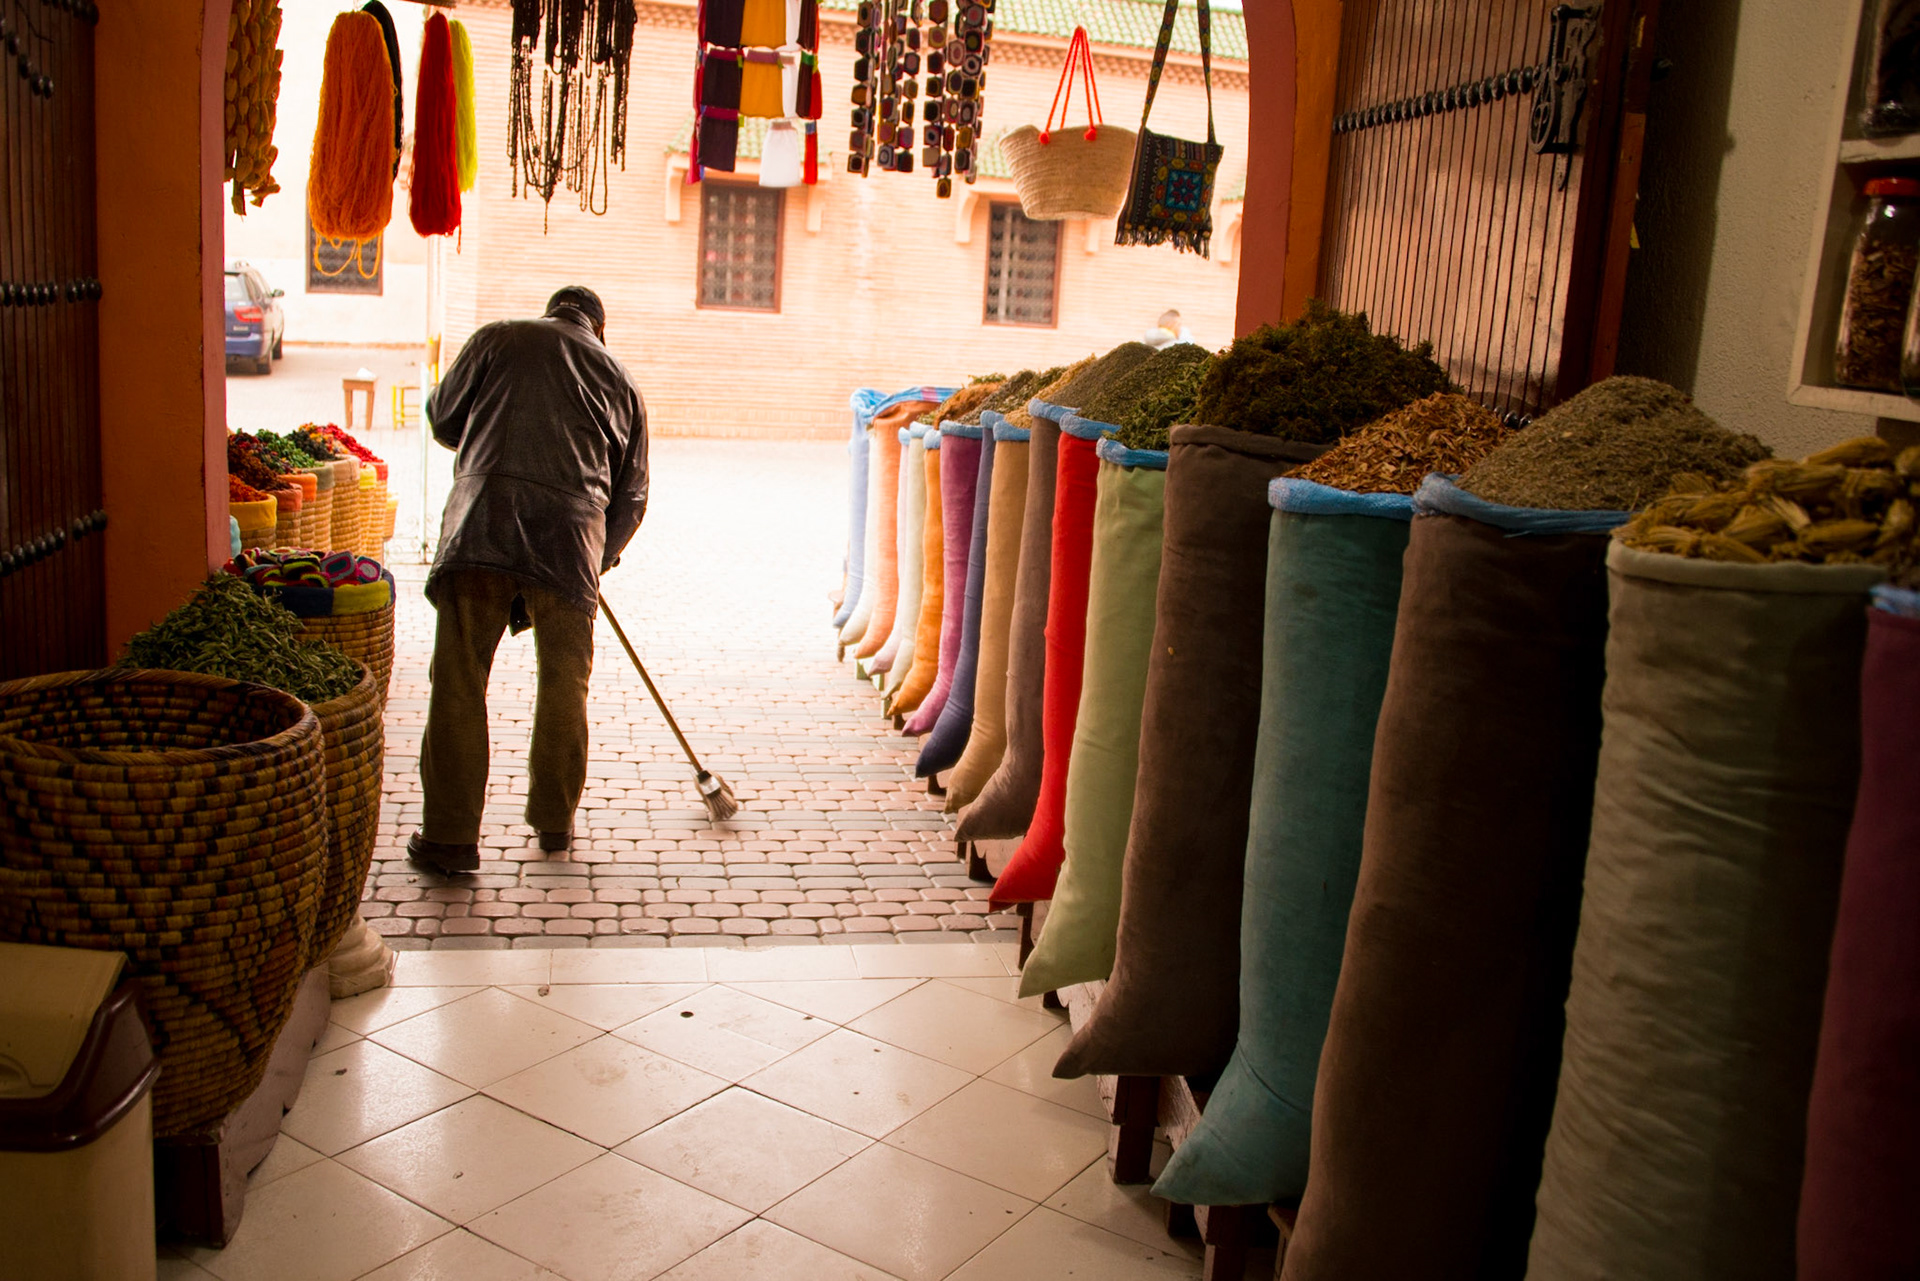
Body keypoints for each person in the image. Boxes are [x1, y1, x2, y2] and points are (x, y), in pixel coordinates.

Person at [407, 286, 648, 875]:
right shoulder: (621, 380)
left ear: (552, 311)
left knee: (459, 677)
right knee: (565, 682)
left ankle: (450, 838)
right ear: (599, 329)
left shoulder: (498, 337)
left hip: (481, 522)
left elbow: (443, 418)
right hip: (571, 538)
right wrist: (598, 557)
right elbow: (633, 495)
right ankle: (554, 821)